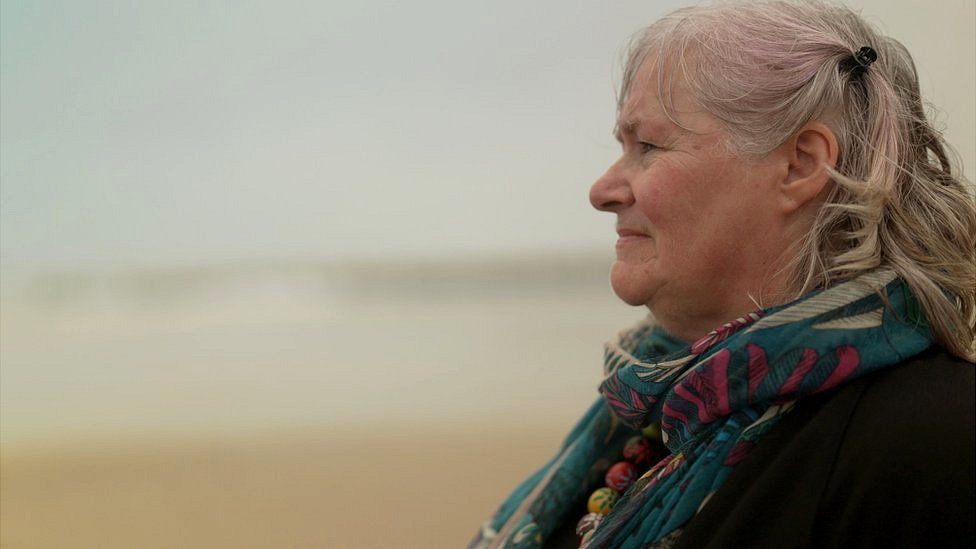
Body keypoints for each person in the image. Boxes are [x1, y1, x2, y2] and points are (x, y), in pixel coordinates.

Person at [470, 1, 975, 547]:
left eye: (649, 146)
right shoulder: (654, 416)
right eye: (623, 146)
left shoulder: (936, 444)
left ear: (802, 164)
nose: (602, 191)